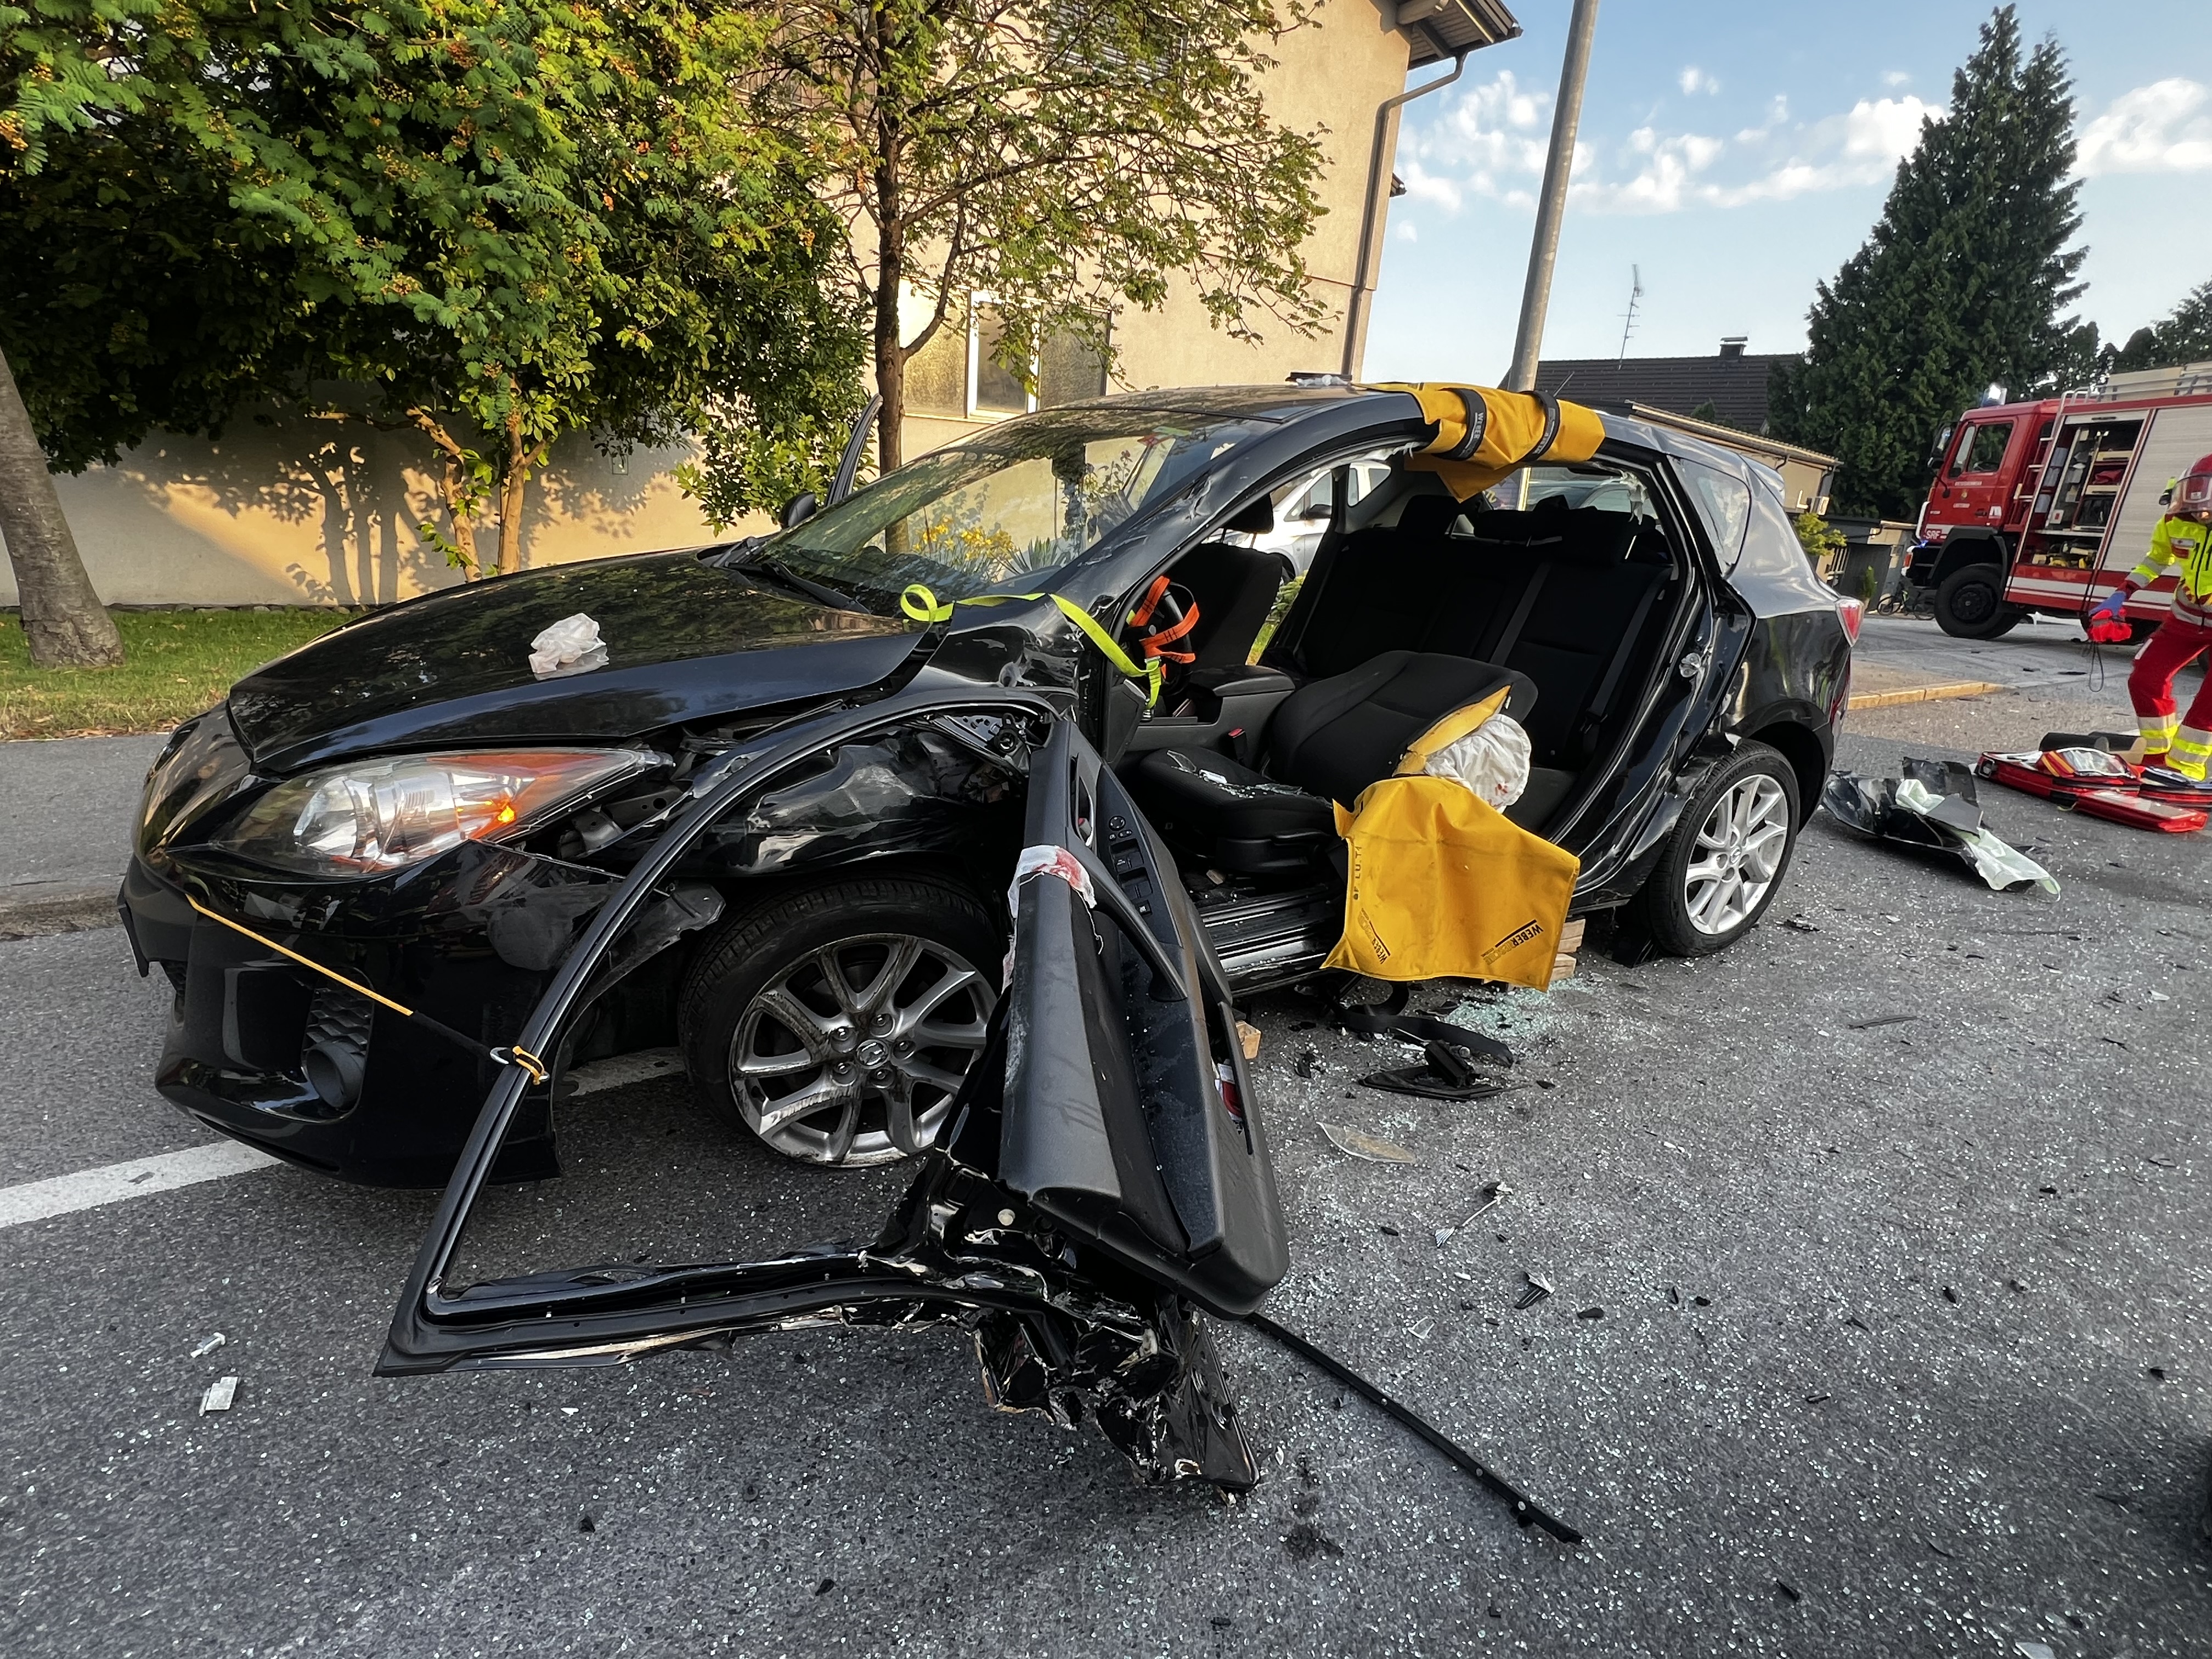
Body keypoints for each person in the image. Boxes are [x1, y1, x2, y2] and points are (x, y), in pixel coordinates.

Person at [2089, 451, 2212, 789]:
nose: (2199, 511)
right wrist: (2121, 594)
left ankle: (2185, 771)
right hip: (2186, 618)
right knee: (2145, 678)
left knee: (2208, 705)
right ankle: (2157, 759)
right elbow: (2157, 560)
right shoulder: (2176, 522)